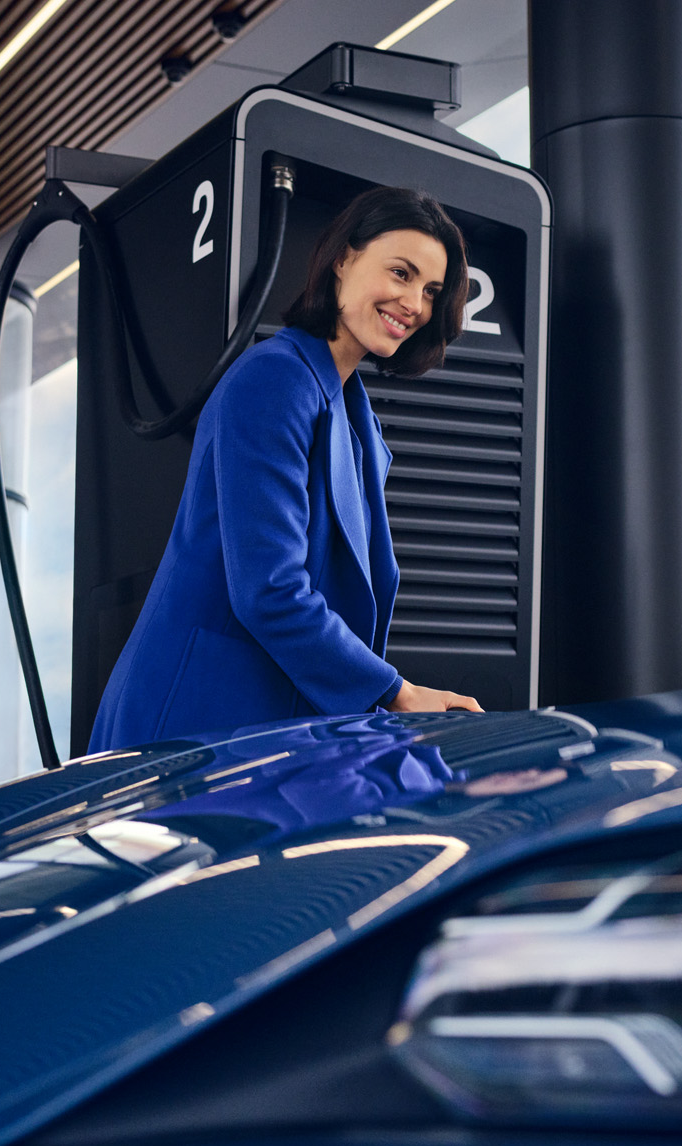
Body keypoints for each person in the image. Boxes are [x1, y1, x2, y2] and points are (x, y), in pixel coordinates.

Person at [88, 184, 484, 753]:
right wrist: (396, 692)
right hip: (190, 728)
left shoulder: (352, 413)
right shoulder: (275, 379)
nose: (415, 303)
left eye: (431, 290)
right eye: (400, 273)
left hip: (265, 729)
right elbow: (269, 588)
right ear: (344, 259)